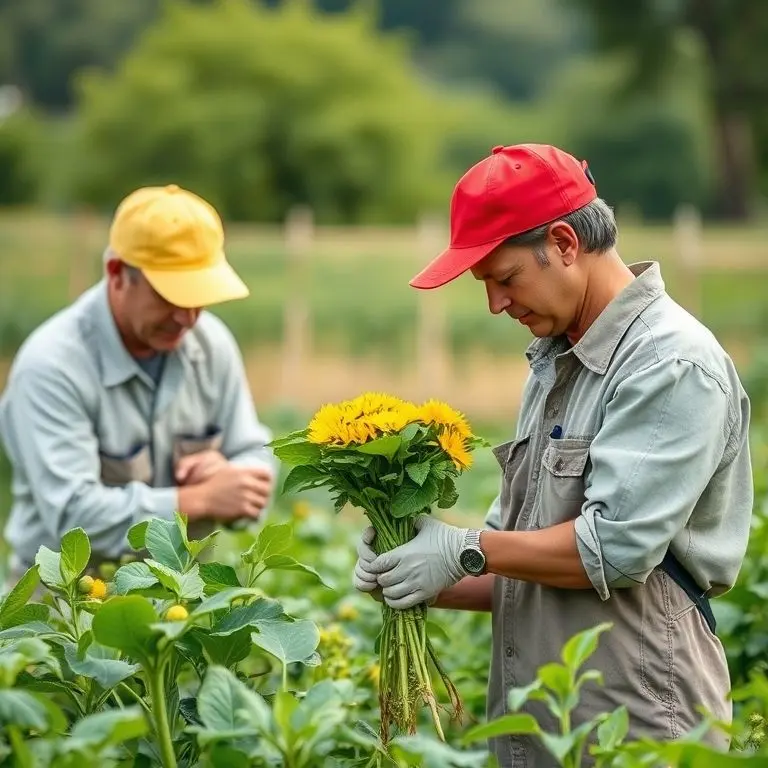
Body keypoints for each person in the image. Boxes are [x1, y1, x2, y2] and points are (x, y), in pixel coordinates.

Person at [354, 144, 753, 766]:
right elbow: (520, 560)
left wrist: (463, 549)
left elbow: (615, 549)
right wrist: (416, 573)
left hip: (637, 715)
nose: (496, 304)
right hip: (540, 718)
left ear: (565, 243)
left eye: (505, 278)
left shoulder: (669, 364)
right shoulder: (556, 361)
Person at [0, 184, 276, 583]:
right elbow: (73, 516)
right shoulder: (52, 366)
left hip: (182, 598)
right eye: (171, 296)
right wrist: (199, 499)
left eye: (199, 295)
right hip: (68, 605)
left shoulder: (212, 345)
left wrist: (233, 475)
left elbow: (254, 455)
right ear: (116, 273)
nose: (187, 318)